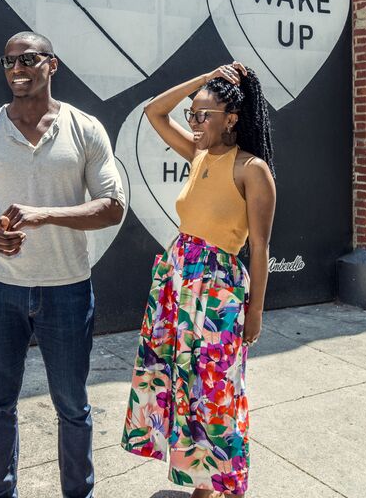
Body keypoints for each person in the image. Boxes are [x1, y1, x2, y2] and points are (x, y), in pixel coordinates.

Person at [0, 31, 125, 498]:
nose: (17, 68)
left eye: (28, 58)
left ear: (53, 64)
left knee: (72, 405)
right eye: (8, 61)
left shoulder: (84, 128)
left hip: (67, 289)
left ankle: (78, 492)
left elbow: (113, 206)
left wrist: (45, 214)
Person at [121, 62, 277, 497]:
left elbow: (261, 248)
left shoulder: (252, 169)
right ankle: (198, 483)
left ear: (231, 119)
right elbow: (154, 111)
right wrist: (205, 79)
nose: (194, 122)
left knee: (215, 389)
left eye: (203, 115)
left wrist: (256, 311)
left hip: (218, 291)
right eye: (192, 114)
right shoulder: (200, 153)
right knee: (180, 383)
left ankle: (216, 484)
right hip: (177, 283)